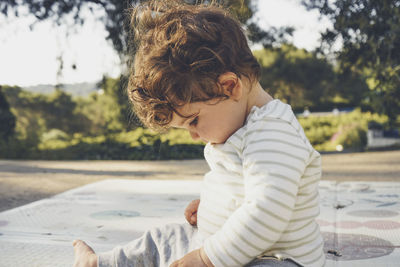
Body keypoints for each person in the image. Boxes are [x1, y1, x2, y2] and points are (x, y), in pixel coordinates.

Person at [73, 1, 325, 266]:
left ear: (229, 87)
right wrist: (213, 207)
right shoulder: (239, 126)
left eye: (193, 121)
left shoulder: (273, 133)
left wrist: (206, 259)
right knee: (165, 239)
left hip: (275, 257)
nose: (194, 136)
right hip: (226, 247)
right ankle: (102, 263)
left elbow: (268, 211)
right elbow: (244, 190)